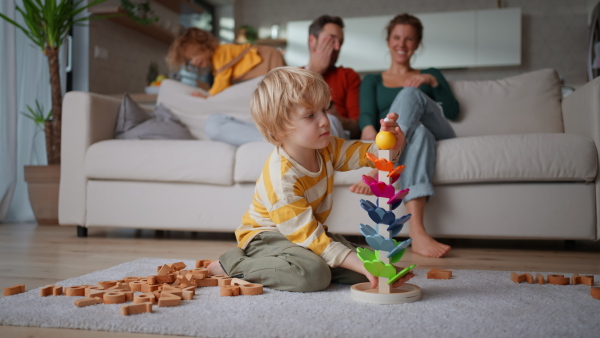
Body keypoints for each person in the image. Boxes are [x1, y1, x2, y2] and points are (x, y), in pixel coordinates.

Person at [206, 67, 414, 292]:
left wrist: (391, 146)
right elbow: (308, 236)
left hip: (304, 233)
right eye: (310, 115)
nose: (325, 121)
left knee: (369, 263)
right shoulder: (281, 179)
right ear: (280, 126)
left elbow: (368, 155)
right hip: (265, 238)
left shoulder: (326, 148)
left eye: (324, 110)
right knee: (314, 276)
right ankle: (232, 263)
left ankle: (323, 261)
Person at [350, 14, 460, 258]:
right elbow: (366, 120)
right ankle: (418, 233)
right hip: (418, 137)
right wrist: (373, 137)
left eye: (409, 39)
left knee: (411, 94)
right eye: (397, 37)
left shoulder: (429, 74)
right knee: (419, 132)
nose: (402, 44)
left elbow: (453, 111)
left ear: (417, 44)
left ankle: (383, 161)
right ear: (389, 41)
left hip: (439, 129)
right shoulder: (373, 80)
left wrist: (430, 80)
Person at [203, 15, 362, 146]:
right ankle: (282, 144)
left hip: (325, 128)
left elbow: (356, 127)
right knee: (214, 123)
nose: (336, 47)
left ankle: (285, 145)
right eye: (331, 40)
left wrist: (330, 113)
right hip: (292, 129)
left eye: (340, 43)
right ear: (312, 41)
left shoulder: (348, 75)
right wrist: (315, 71)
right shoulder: (290, 75)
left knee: (330, 121)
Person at [165, 27, 285, 97]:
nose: (194, 62)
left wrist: (208, 96)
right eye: (190, 60)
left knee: (282, 88)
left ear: (204, 47)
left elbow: (222, 82)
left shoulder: (220, 53)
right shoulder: (216, 62)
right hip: (266, 57)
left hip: (267, 57)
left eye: (194, 56)